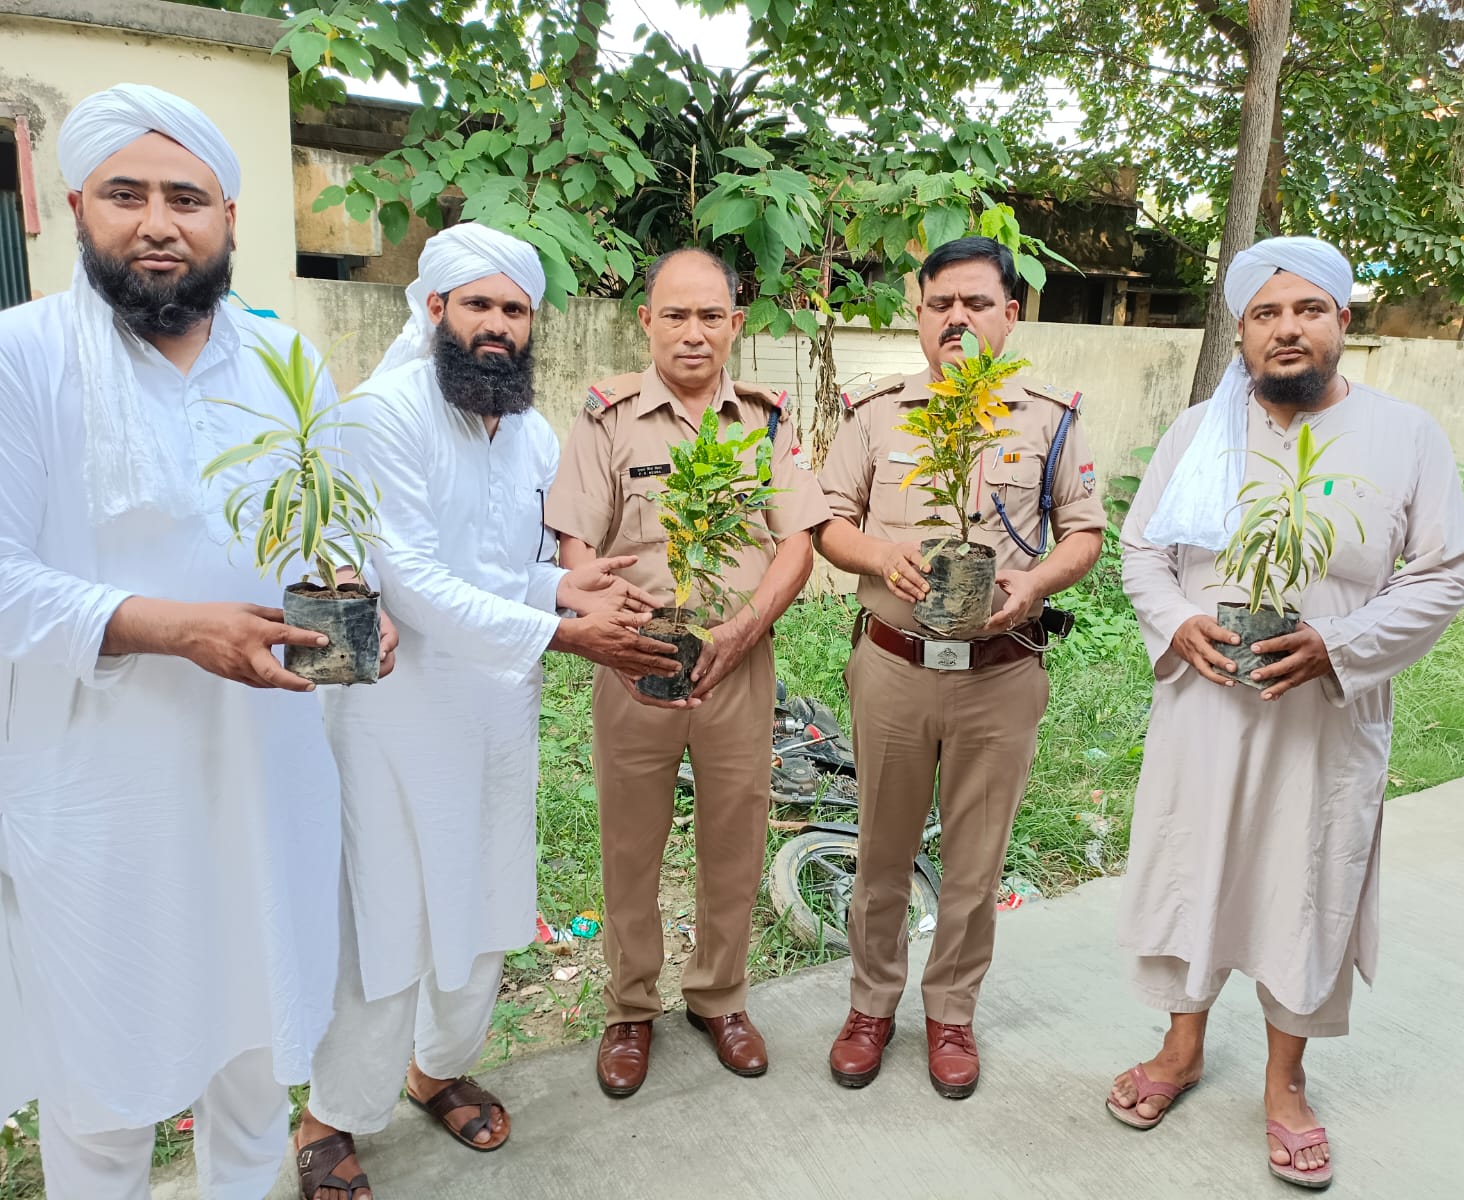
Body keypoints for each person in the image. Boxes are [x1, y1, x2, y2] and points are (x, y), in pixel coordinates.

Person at [0, 84, 396, 1198]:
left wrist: (360, 596)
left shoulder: (282, 362)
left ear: (230, 217)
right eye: (125, 195)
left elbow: (332, 530)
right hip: (99, 792)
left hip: (265, 778)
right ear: (75, 208)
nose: (157, 224)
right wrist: (173, 630)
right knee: (106, 1093)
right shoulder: (21, 357)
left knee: (256, 1065)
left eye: (186, 198)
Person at [295, 224, 678, 1199]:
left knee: (484, 897)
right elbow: (411, 581)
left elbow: (513, 567)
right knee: (386, 914)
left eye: (515, 309)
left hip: (498, 708)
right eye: (479, 305)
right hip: (397, 717)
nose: (498, 325)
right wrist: (564, 631)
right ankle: (331, 1114)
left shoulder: (529, 432)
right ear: (435, 309)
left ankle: (437, 1069)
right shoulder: (383, 415)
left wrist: (571, 589)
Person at [1106, 237, 1464, 1188]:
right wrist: (1178, 621)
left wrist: (1336, 645)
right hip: (1205, 709)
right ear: (1240, 331)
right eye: (1264, 313)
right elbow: (1142, 551)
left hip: (1325, 720)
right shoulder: (1199, 433)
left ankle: (1285, 1082)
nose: (1286, 329)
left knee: (1306, 881)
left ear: (1342, 322)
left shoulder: (1405, 436)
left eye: (1307, 310)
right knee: (1194, 869)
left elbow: (1443, 573)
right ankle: (1180, 1048)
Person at [813, 235, 1106, 1099]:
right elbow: (827, 519)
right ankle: (870, 1007)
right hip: (894, 668)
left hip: (1000, 673)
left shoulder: (1048, 419)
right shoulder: (875, 414)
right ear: (918, 314)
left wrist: (1035, 581)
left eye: (976, 303)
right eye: (940, 303)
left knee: (975, 863)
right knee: (881, 852)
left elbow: (1083, 530)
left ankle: (950, 1014)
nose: (956, 318)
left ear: (1008, 316)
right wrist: (879, 554)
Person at [545, 247, 831, 1098]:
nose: (693, 332)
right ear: (647, 322)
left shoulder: (763, 422)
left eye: (711, 315)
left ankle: (719, 997)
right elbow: (574, 541)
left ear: (735, 324)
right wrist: (612, 628)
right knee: (629, 845)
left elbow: (797, 540)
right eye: (675, 314)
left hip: (737, 664)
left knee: (735, 840)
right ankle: (630, 1007)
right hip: (634, 660)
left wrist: (743, 631)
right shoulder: (607, 419)